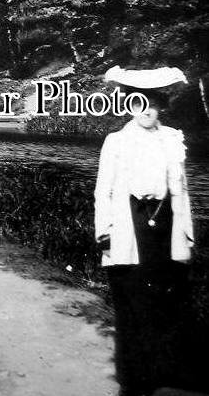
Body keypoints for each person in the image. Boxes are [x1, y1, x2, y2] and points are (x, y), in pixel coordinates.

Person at [94, 66, 197, 396]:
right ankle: (133, 377)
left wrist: (186, 234)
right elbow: (104, 191)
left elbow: (180, 190)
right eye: (140, 104)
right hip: (129, 224)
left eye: (153, 104)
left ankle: (164, 370)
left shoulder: (171, 139)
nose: (147, 111)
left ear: (161, 106)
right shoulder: (117, 141)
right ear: (129, 106)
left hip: (163, 224)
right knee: (132, 301)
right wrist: (104, 231)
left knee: (165, 300)